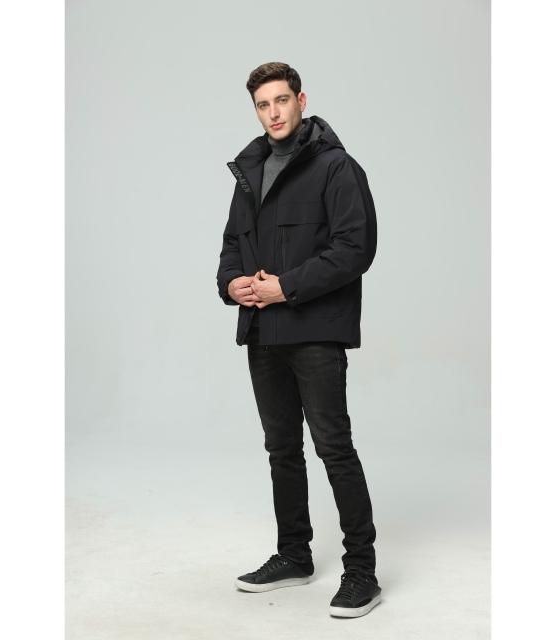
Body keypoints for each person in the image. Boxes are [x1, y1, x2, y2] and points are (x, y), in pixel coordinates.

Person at [216, 62, 380, 618]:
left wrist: (285, 287)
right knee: (281, 448)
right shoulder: (249, 171)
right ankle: (294, 555)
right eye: (263, 105)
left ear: (301, 101)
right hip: (263, 330)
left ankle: (362, 572)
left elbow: (356, 247)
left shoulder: (336, 167)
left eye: (281, 100)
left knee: (334, 448)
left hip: (316, 331)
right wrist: (232, 284)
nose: (274, 113)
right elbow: (232, 245)